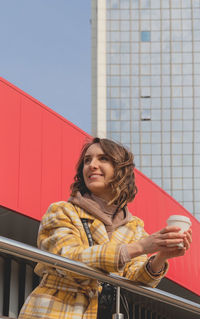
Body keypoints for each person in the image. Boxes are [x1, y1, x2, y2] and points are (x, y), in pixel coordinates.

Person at [18, 137, 192, 319]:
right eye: (87, 160)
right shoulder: (62, 211)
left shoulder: (134, 227)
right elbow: (67, 260)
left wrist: (162, 255)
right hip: (54, 311)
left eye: (103, 159)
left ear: (121, 170)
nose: (92, 165)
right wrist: (140, 247)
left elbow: (135, 279)